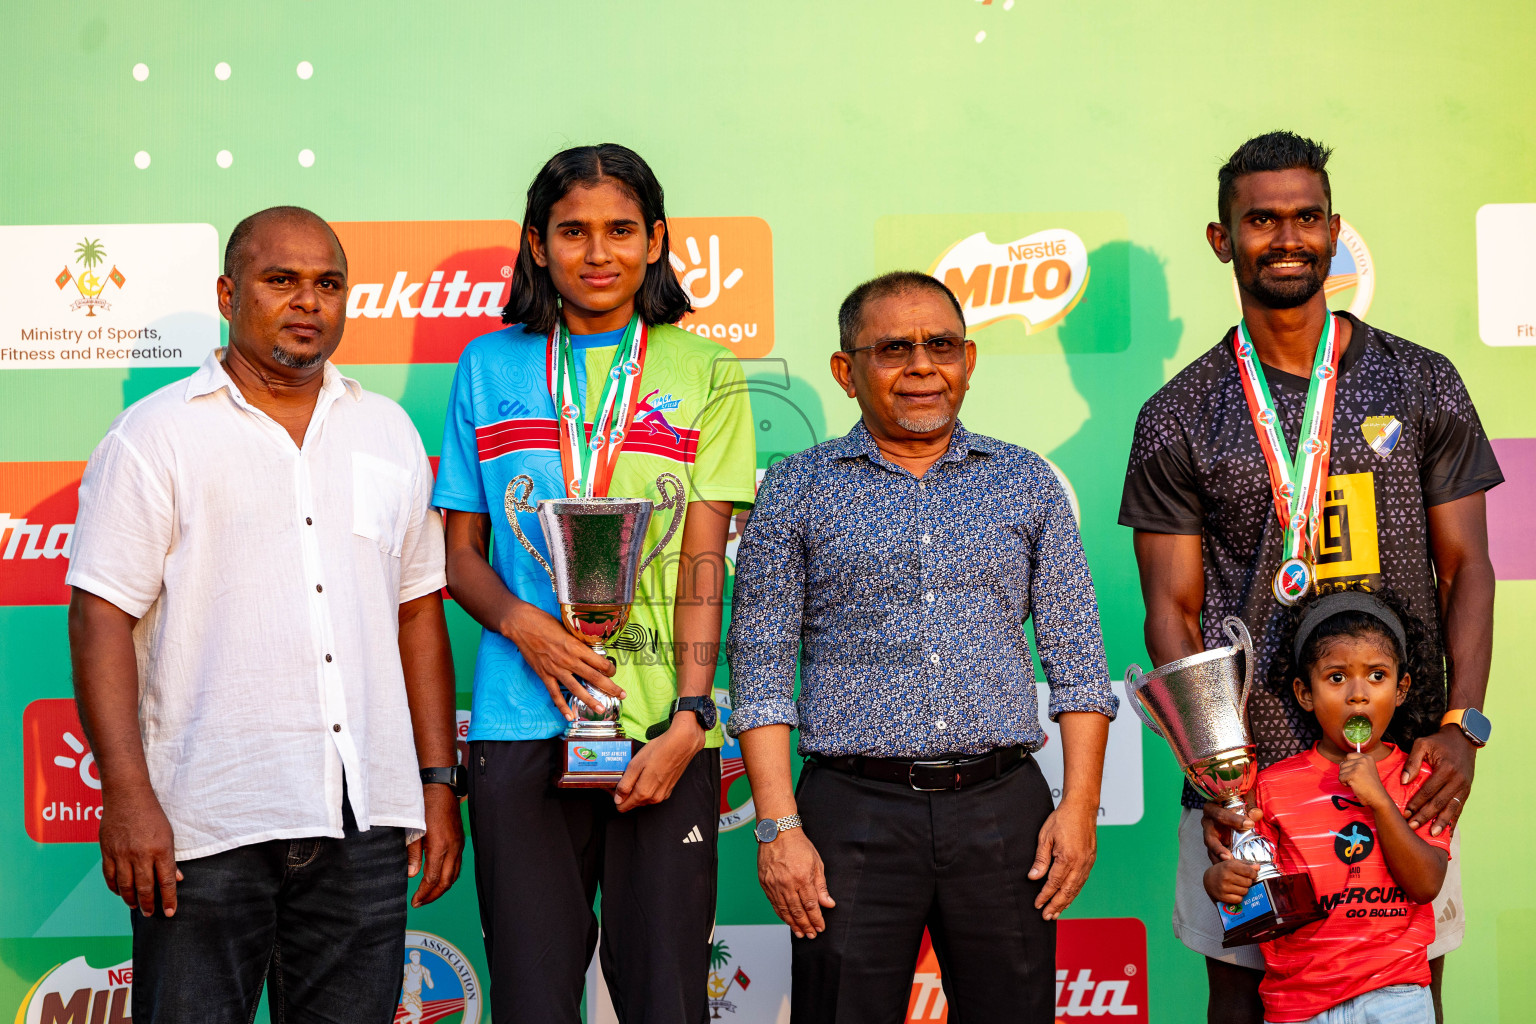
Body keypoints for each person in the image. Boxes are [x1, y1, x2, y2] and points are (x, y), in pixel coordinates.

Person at [1120, 131, 1501, 1024]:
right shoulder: (1177, 412)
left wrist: (1463, 723)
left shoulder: (1420, 379)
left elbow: (1470, 567)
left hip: (1399, 761)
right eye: (1261, 219)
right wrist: (1223, 775)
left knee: (1405, 992)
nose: (1286, 237)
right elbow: (1170, 611)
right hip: (1251, 772)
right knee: (1246, 999)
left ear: (1334, 231)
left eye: (1306, 216)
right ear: (1224, 239)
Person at [66, 206, 464, 1023]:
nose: (307, 302)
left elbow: (418, 615)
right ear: (227, 292)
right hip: (204, 821)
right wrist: (127, 797)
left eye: (327, 284)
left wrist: (435, 784)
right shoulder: (155, 437)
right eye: (280, 281)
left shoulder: (386, 431)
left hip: (362, 820)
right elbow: (99, 617)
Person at [727, 271, 1117, 1023]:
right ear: (846, 372)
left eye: (940, 345)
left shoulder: (1025, 481)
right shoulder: (796, 489)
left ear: (968, 359)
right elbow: (763, 666)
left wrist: (1079, 808)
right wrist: (777, 828)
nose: (920, 366)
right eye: (893, 349)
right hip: (852, 814)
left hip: (1005, 814)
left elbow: (1078, 660)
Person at [434, 144, 756, 1023]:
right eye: (573, 232)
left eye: (620, 230)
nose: (598, 252)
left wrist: (693, 717)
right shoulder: (489, 367)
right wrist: (526, 628)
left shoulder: (706, 371)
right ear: (537, 245)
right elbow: (459, 553)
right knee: (533, 1002)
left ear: (656, 241)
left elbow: (702, 562)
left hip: (661, 731)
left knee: (668, 1000)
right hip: (517, 720)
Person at [1205, 588, 1449, 1024]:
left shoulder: (1418, 779)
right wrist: (1221, 882)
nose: (1358, 694)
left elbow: (1426, 884)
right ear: (1304, 692)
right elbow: (1259, 893)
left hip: (1396, 997)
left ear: (1401, 688)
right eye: (1336, 678)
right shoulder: (1273, 786)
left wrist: (1379, 802)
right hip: (1298, 1004)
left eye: (1377, 676)